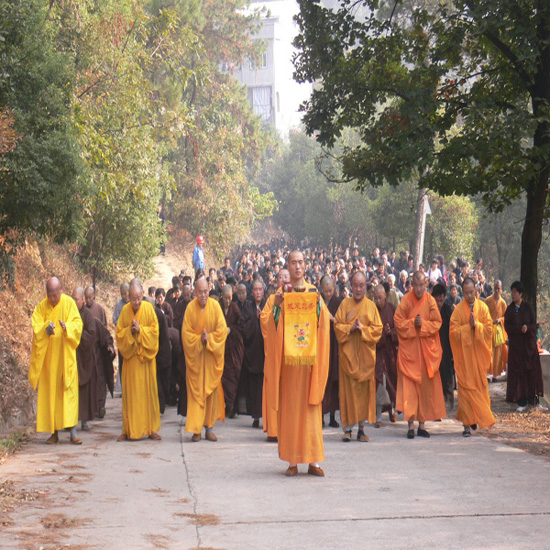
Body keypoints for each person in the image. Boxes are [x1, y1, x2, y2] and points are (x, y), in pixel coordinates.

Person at [260, 251, 330, 477]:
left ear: (305, 266)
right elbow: (269, 326)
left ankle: (313, 462)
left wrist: (318, 308)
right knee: (291, 411)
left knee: (311, 411)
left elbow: (324, 325)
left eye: (301, 263)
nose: (297, 267)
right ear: (287, 266)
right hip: (290, 365)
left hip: (309, 363)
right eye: (293, 263)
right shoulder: (280, 295)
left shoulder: (313, 293)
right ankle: (292, 461)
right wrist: (278, 307)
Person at [29, 277, 83, 444]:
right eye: (50, 296)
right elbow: (36, 326)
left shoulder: (69, 303)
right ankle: (54, 433)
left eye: (55, 295)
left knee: (68, 394)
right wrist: (46, 329)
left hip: (66, 358)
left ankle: (73, 433)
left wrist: (67, 328)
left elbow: (78, 324)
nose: (53, 299)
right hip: (50, 361)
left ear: (61, 289)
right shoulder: (42, 306)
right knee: (51, 395)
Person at [394, 271, 447, 439]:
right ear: (411, 285)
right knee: (409, 389)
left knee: (424, 389)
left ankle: (422, 425)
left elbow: (437, 322)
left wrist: (422, 325)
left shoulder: (430, 300)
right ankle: (410, 425)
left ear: (425, 285)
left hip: (424, 352)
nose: (418, 289)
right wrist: (412, 323)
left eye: (422, 285)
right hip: (410, 352)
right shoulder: (406, 300)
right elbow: (398, 321)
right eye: (416, 285)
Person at [334, 272, 383, 442]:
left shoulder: (371, 306)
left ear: (366, 286)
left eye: (362, 285)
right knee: (348, 394)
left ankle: (361, 429)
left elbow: (378, 329)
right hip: (348, 358)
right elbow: (337, 326)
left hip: (365, 359)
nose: (358, 289)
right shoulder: (344, 304)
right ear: (351, 286)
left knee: (362, 395)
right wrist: (350, 328)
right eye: (355, 285)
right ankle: (347, 429)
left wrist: (363, 329)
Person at [181, 278, 228, 441]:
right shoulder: (190, 309)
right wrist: (199, 340)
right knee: (196, 395)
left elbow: (222, 331)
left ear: (210, 290)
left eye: (206, 291)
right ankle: (196, 430)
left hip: (210, 359)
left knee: (211, 394)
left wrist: (210, 339)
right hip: (196, 361)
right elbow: (185, 335)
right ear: (195, 293)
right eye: (200, 292)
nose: (203, 295)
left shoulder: (215, 306)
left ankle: (209, 429)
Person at [115, 279, 161, 441]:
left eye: (138, 298)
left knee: (149, 394)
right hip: (131, 361)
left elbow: (155, 333)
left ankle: (151, 428)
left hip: (145, 361)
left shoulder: (149, 309)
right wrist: (130, 332)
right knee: (131, 396)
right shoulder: (125, 311)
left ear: (142, 294)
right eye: (133, 298)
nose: (136, 302)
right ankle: (128, 429)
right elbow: (119, 334)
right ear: (128, 297)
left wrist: (141, 330)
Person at [449, 278, 495, 436]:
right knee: (465, 392)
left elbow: (489, 330)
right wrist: (468, 328)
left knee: (479, 389)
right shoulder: (458, 311)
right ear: (463, 292)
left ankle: (476, 418)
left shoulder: (483, 308)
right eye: (467, 292)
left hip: (479, 358)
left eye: (472, 292)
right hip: (464, 359)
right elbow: (453, 332)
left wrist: (477, 326)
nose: (470, 295)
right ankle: (466, 426)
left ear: (476, 290)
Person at [260, 268, 291, 442]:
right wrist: (277, 309)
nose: (285, 280)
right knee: (274, 387)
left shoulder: (296, 298)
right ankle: (274, 430)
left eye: (287, 277)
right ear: (277, 281)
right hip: (274, 352)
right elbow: (264, 321)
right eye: (281, 277)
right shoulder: (272, 299)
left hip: (291, 351)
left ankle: (289, 429)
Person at [504, 281, 545, 411]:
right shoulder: (510, 309)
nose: (513, 294)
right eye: (512, 292)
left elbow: (534, 324)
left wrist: (527, 328)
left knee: (532, 373)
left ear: (521, 294)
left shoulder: (528, 308)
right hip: (517, 348)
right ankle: (521, 401)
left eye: (515, 292)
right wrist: (518, 329)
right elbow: (507, 327)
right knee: (519, 374)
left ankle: (533, 400)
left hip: (529, 347)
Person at [239, 279, 266, 428]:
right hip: (252, 354)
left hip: (264, 353)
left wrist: (264, 319)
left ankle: (265, 416)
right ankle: (255, 416)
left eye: (260, 290)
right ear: (252, 292)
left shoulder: (268, 306)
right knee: (253, 389)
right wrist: (254, 321)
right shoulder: (248, 308)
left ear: (263, 291)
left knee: (264, 388)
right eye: (255, 290)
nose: (257, 292)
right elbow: (242, 327)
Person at [73, 287, 98, 432]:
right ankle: (71, 421)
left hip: (85, 357)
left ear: (82, 299)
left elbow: (91, 334)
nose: (74, 301)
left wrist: (77, 335)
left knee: (85, 391)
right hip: (73, 357)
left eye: (76, 299)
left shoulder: (87, 315)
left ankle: (84, 421)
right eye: (72, 298)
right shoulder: (70, 313)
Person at [373, 284, 398, 426]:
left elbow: (398, 329)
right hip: (377, 353)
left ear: (385, 296)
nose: (378, 301)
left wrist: (390, 332)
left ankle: (392, 411)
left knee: (391, 383)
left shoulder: (391, 309)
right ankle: (378, 417)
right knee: (379, 383)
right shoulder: (372, 310)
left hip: (390, 353)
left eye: (380, 298)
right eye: (375, 298)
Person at [320, 275, 342, 428]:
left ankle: (333, 417)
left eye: (330, 290)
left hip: (334, 346)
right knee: (321, 381)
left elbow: (343, 323)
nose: (328, 294)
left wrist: (332, 319)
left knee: (333, 384)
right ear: (321, 289)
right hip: (322, 345)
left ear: (334, 288)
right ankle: (320, 416)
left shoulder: (338, 303)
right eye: (326, 291)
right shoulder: (317, 302)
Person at [219, 285, 244, 419]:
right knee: (222, 377)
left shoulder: (235, 308)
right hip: (221, 347)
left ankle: (232, 406)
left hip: (233, 348)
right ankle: (224, 405)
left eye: (230, 298)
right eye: (225, 298)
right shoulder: (217, 307)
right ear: (222, 296)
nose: (227, 301)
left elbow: (241, 325)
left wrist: (231, 330)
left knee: (233, 376)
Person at [84, 285, 108, 418]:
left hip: (98, 350)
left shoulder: (99, 309)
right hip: (87, 351)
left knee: (100, 378)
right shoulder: (81, 311)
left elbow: (104, 329)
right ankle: (92, 408)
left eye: (90, 297)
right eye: (86, 298)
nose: (87, 300)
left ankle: (101, 406)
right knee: (90, 380)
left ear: (94, 296)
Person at [432, 283, 455, 410]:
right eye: (437, 300)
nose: (439, 303)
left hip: (445, 347)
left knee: (447, 374)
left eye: (441, 300)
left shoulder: (447, 309)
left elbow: (451, 331)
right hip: (432, 348)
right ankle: (435, 404)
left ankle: (448, 402)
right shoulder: (428, 309)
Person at [485, 280, 508, 381]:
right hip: (489, 329)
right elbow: (484, 314)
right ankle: (488, 375)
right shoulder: (488, 300)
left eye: (498, 288)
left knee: (497, 354)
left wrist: (500, 320)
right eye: (495, 288)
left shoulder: (503, 303)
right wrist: (491, 321)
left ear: (501, 289)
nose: (497, 290)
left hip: (498, 331)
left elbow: (506, 317)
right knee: (489, 352)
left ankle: (495, 375)